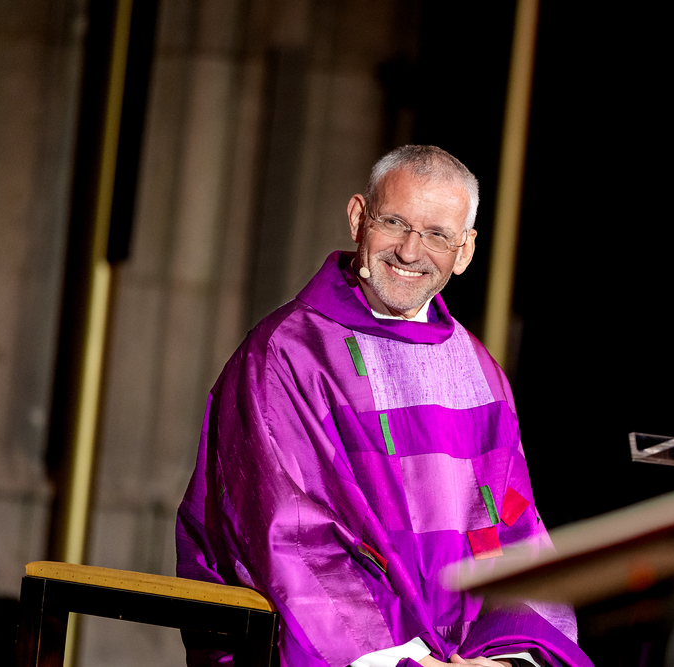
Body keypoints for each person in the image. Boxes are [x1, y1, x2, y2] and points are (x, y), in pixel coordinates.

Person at [176, 146, 591, 667]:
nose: (410, 252)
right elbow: (291, 537)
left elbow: (517, 533)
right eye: (394, 222)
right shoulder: (288, 355)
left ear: (465, 251)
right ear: (358, 218)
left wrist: (509, 659)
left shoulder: (480, 373)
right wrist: (406, 661)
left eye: (437, 234)